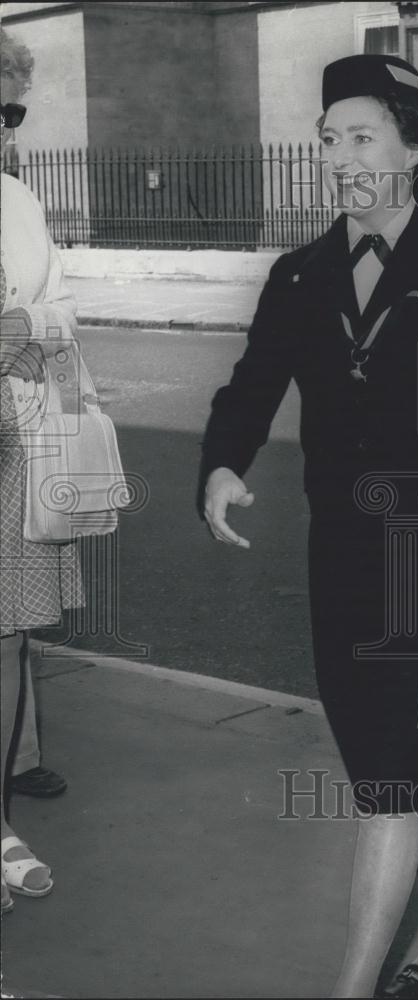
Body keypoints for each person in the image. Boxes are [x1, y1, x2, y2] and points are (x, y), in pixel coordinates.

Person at [200, 54, 418, 998]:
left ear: (414, 149)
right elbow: (250, 387)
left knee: (398, 776)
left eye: (361, 137)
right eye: (328, 140)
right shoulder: (299, 274)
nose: (340, 157)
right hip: (343, 555)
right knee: (387, 761)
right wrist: (222, 467)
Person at [1, 30, 82, 914]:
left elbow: (58, 307)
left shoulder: (16, 199)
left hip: (13, 443)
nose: (6, 131)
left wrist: (27, 335)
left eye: (11, 112)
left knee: (9, 636)